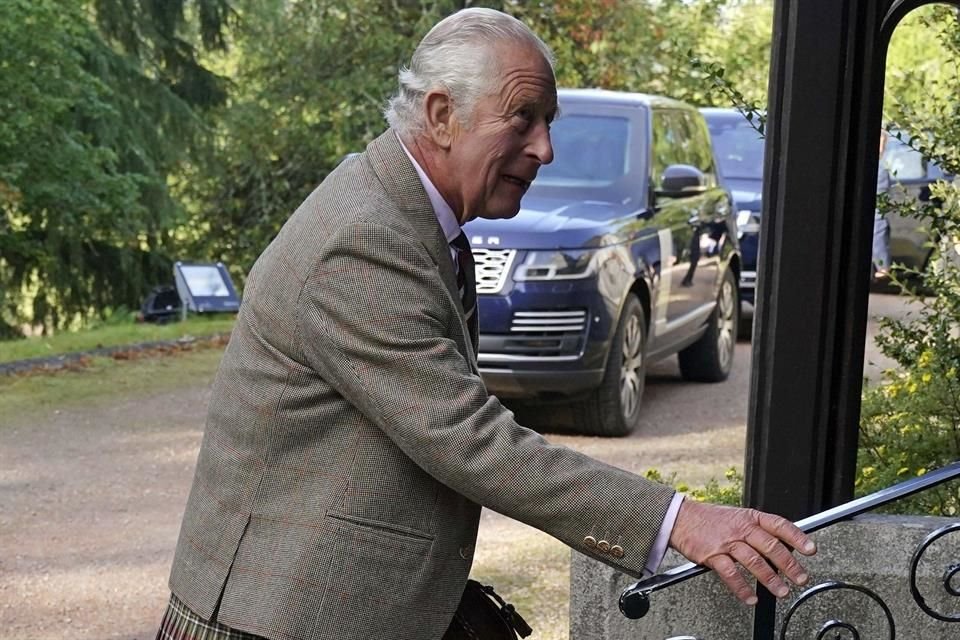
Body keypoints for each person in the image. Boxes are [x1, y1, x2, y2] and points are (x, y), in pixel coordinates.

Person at [156, 9, 816, 640]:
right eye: (523, 120)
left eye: (548, 122)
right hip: (272, 619)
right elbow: (470, 441)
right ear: (442, 115)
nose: (546, 148)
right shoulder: (363, 239)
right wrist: (678, 520)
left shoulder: (410, 212)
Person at [873, 129, 892, 279]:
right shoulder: (880, 167)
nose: (880, 148)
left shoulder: (881, 168)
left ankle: (883, 266)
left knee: (878, 225)